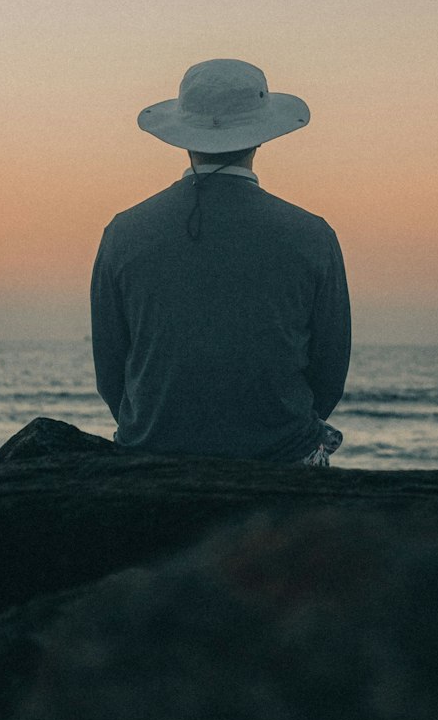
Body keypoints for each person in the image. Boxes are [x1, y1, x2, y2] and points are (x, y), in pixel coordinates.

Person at [90, 58, 350, 464]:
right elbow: (330, 375)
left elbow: (110, 373)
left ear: (185, 136)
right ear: (261, 137)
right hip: (277, 460)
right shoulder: (312, 235)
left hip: (151, 457)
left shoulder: (123, 233)